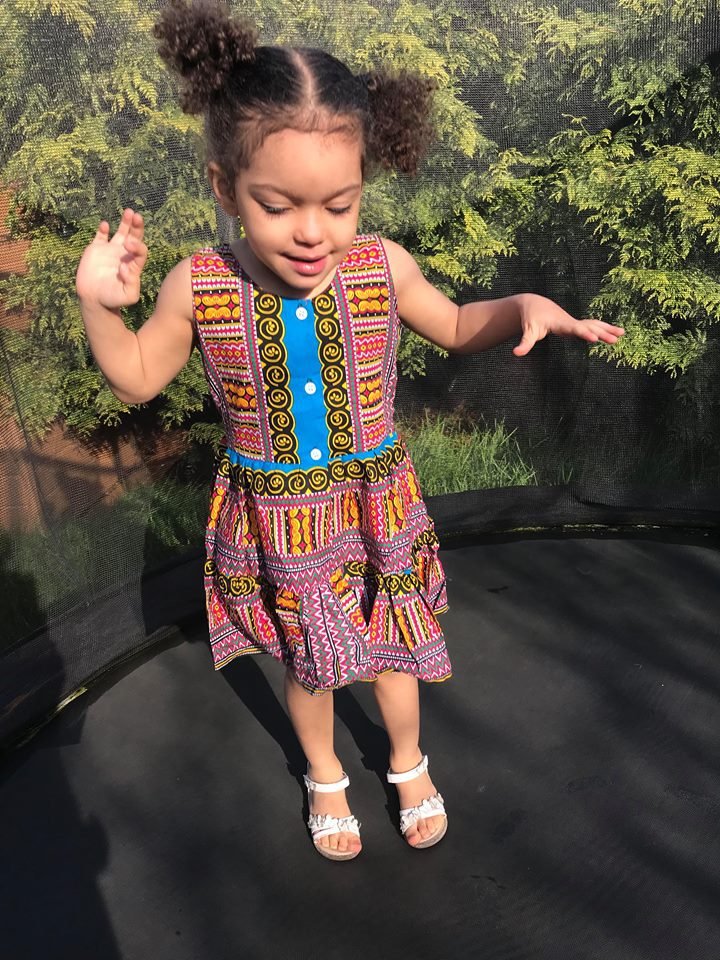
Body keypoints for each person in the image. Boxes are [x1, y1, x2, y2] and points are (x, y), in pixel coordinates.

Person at [75, 0, 624, 862]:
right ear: (224, 187)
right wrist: (100, 309)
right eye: (276, 205)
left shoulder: (380, 266)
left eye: (340, 204)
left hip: (376, 503)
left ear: (363, 186)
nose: (312, 232)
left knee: (394, 647)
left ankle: (407, 761)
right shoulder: (200, 283)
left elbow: (455, 324)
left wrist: (522, 304)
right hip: (281, 517)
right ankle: (325, 772)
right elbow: (138, 375)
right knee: (312, 659)